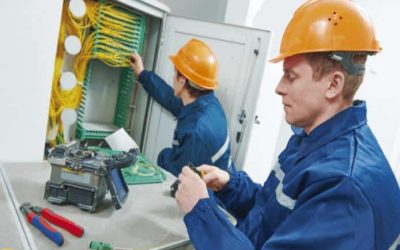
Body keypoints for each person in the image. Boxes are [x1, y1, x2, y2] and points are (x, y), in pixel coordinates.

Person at [174, 0, 400, 249]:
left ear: (333, 85)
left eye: (290, 76)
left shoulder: (342, 188)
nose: (279, 87)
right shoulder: (310, 140)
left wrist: (201, 211)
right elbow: (273, 211)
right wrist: (230, 184)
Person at [129, 39, 234, 177]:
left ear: (182, 80)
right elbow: (172, 100)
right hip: (216, 181)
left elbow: (182, 180)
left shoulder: (196, 132)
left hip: (210, 195)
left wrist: (164, 158)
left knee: (164, 156)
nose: (173, 77)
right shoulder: (209, 104)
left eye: (175, 73)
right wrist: (143, 75)